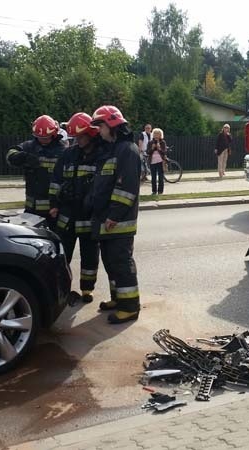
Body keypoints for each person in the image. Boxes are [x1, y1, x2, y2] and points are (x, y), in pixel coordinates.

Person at [89, 105, 142, 324]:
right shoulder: (112, 149)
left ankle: (130, 306)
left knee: (121, 262)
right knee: (110, 262)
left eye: (100, 126)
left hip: (118, 222)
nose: (99, 131)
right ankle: (118, 298)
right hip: (107, 220)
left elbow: (127, 188)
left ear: (111, 125)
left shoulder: (127, 150)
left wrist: (114, 215)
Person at [50, 112, 104, 304]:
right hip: (67, 215)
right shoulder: (68, 154)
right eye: (75, 137)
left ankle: (87, 289)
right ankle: (63, 290)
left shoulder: (100, 155)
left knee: (89, 256)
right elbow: (56, 180)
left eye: (81, 137)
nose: (78, 140)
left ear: (91, 134)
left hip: (88, 216)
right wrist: (54, 205)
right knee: (63, 255)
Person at [6, 115, 66, 220]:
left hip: (53, 211)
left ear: (53, 134)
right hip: (31, 209)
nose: (42, 140)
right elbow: (10, 154)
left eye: (46, 137)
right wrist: (21, 156)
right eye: (40, 137)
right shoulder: (28, 146)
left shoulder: (62, 151)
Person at [146, 127, 167, 195]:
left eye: (158, 134)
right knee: (153, 177)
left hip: (160, 161)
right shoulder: (150, 142)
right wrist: (152, 148)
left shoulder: (162, 142)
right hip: (152, 162)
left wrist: (159, 148)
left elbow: (164, 152)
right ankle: (154, 191)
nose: (156, 135)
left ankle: (160, 191)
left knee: (161, 177)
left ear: (160, 135)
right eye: (155, 133)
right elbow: (148, 152)